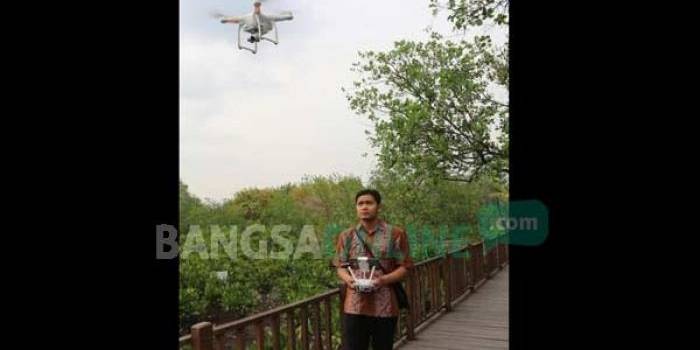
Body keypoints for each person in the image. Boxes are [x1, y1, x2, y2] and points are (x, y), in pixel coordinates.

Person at [332, 189, 413, 350]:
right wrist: (349, 280)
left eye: (369, 203)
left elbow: (405, 267)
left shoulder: (395, 234)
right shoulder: (346, 236)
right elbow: (340, 266)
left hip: (385, 305)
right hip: (354, 305)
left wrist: (383, 280)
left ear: (378, 207)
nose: (364, 207)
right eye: (360, 204)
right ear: (356, 208)